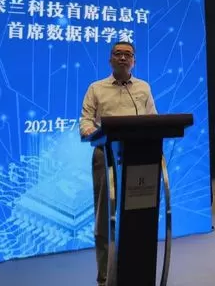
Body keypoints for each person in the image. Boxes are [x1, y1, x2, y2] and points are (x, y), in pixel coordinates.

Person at [79, 41, 157, 286]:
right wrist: (91, 131)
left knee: (138, 215)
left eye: (127, 55)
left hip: (139, 157)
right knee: (106, 218)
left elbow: (153, 120)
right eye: (118, 54)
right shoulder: (96, 88)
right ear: (110, 59)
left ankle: (137, 274)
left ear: (134, 61)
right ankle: (105, 278)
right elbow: (85, 121)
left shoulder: (143, 88)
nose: (123, 58)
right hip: (106, 155)